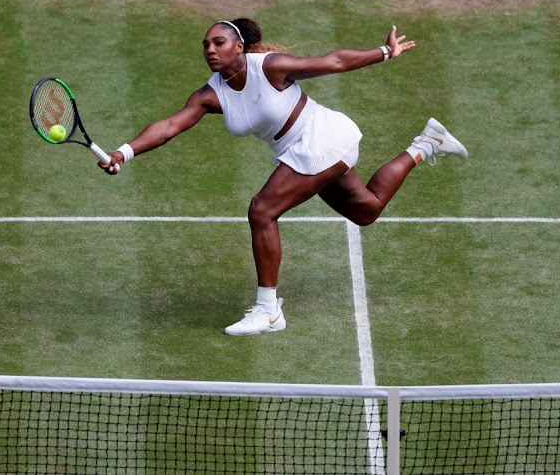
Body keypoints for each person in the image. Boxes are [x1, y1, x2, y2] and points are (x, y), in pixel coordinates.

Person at [100, 18, 467, 336]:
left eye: (219, 42)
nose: (210, 49)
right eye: (206, 45)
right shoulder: (211, 94)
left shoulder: (268, 67)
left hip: (321, 137)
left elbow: (333, 62)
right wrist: (123, 152)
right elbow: (168, 126)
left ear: (239, 47)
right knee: (366, 210)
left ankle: (268, 311)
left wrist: (384, 52)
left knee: (262, 210)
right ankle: (426, 143)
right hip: (300, 153)